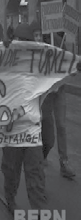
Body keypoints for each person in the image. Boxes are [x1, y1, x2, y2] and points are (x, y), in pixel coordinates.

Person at [2, 23, 48, 216]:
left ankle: (40, 212)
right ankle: (10, 199)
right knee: (11, 171)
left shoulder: (39, 67)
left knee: (35, 172)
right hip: (12, 131)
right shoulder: (5, 68)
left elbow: (57, 76)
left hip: (32, 131)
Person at [33, 19, 76, 179]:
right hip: (47, 92)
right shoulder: (39, 46)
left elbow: (68, 62)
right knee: (46, 125)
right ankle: (42, 156)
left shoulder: (59, 42)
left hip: (60, 91)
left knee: (62, 125)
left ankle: (64, 162)